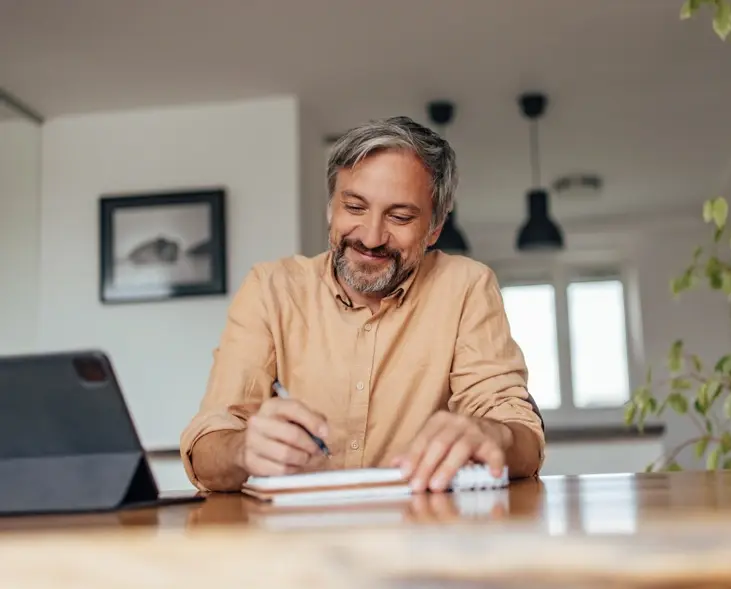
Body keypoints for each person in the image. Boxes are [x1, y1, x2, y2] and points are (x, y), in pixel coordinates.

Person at [179, 116, 545, 494]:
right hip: (296, 542)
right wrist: (242, 449)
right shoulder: (270, 289)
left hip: (423, 535)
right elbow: (207, 445)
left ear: (435, 228)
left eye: (400, 217)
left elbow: (524, 441)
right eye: (354, 207)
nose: (371, 238)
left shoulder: (466, 286)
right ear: (330, 208)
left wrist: (493, 434)